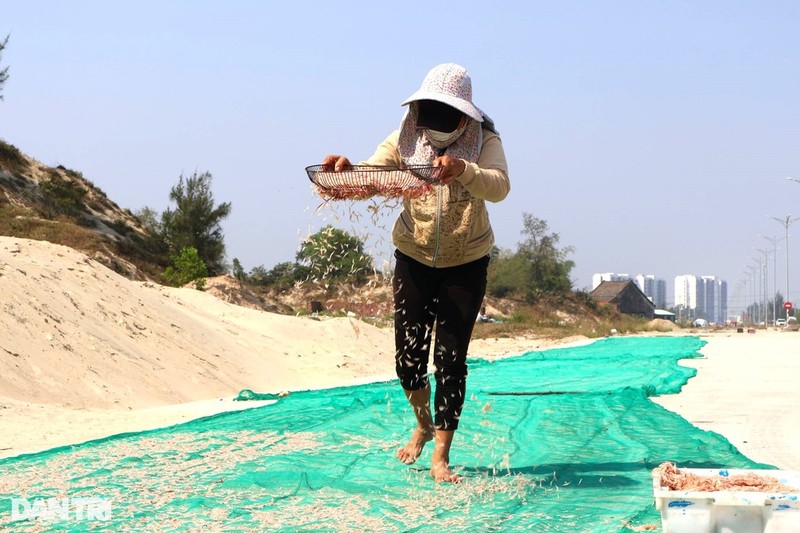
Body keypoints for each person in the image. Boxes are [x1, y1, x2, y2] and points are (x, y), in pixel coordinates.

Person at [323, 63, 510, 482]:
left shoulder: (485, 142)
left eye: (444, 110)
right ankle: (423, 423)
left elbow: (499, 186)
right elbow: (376, 174)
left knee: (449, 360)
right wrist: (347, 170)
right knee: (408, 361)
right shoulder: (407, 135)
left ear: (464, 114)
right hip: (414, 257)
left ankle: (440, 455)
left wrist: (465, 170)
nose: (432, 118)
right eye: (429, 108)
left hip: (466, 262)